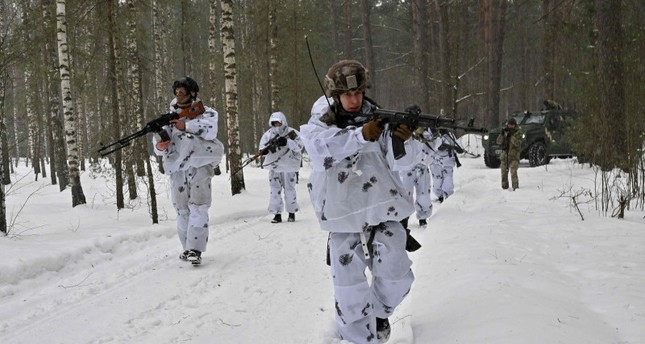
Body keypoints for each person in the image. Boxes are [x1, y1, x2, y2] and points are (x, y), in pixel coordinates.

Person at [300, 60, 416, 344]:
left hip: (383, 208)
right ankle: (357, 339)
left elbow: (407, 163)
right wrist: (359, 136)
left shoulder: (379, 119)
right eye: (347, 95)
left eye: (358, 93)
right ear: (335, 95)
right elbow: (319, 152)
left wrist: (406, 139)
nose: (354, 100)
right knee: (349, 288)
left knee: (396, 275)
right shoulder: (320, 123)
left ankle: (378, 314)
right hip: (342, 214)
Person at [152, 77, 224, 265]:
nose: (179, 94)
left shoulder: (206, 113)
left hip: (200, 164)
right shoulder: (168, 117)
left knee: (199, 206)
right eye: (177, 91)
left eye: (183, 91)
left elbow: (211, 131)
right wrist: (161, 145)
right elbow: (157, 147)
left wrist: (187, 125)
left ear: (192, 93)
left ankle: (195, 249)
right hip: (178, 168)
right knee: (182, 210)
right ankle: (186, 247)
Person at [258, 111, 304, 223]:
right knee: (275, 190)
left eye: (278, 123)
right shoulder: (268, 134)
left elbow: (299, 146)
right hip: (274, 166)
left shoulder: (292, 133)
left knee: (290, 189)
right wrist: (265, 151)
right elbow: (262, 147)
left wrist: (287, 142)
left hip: (289, 166)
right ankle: (277, 214)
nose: (277, 126)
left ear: (283, 122)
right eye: (274, 123)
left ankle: (291, 213)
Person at [399, 127, 434, 227]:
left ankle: (423, 217)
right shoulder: (404, 131)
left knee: (424, 194)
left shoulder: (428, 133)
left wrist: (431, 133)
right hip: (406, 168)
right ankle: (403, 218)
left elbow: (435, 145)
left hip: (422, 167)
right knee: (405, 194)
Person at [429, 128, 462, 203]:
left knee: (448, 181)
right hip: (436, 162)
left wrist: (458, 149)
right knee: (437, 181)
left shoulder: (451, 135)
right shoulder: (433, 134)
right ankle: (439, 195)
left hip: (448, 162)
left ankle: (449, 199)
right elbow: (434, 146)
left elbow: (457, 145)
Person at [496, 117, 523, 190]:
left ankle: (515, 187)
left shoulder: (518, 132)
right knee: (503, 173)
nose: (510, 126)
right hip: (505, 156)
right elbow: (498, 141)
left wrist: (511, 136)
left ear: (515, 125)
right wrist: (502, 135)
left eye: (512, 125)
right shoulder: (505, 131)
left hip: (514, 156)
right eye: (509, 125)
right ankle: (504, 188)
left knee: (513, 172)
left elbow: (518, 143)